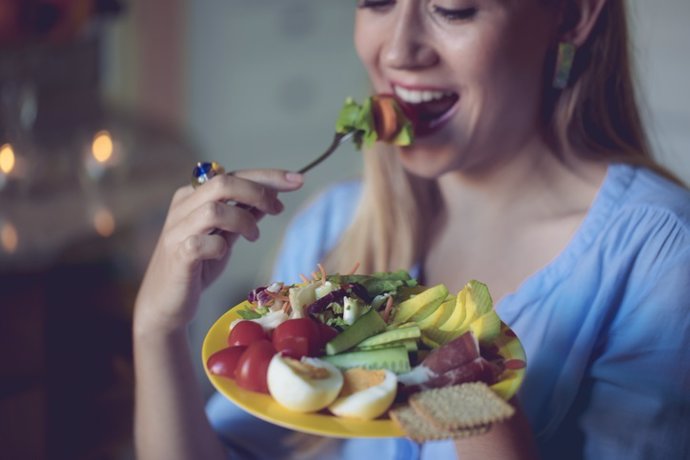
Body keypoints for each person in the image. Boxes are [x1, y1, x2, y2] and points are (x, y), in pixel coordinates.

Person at [133, 0, 690, 459]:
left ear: (570, 16)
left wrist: (461, 399)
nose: (397, 51)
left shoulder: (659, 253)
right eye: (376, 1)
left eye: (454, 9)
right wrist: (156, 328)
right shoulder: (333, 230)